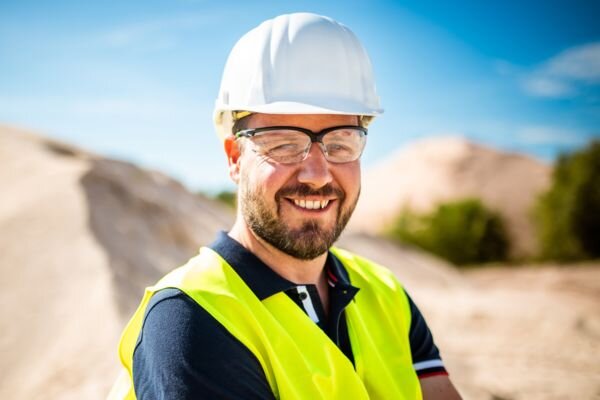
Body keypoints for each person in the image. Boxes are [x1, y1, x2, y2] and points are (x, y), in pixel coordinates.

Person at [109, 12, 462, 400]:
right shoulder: (192, 317)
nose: (316, 174)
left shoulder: (384, 292)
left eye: (341, 142)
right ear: (234, 158)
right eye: (282, 144)